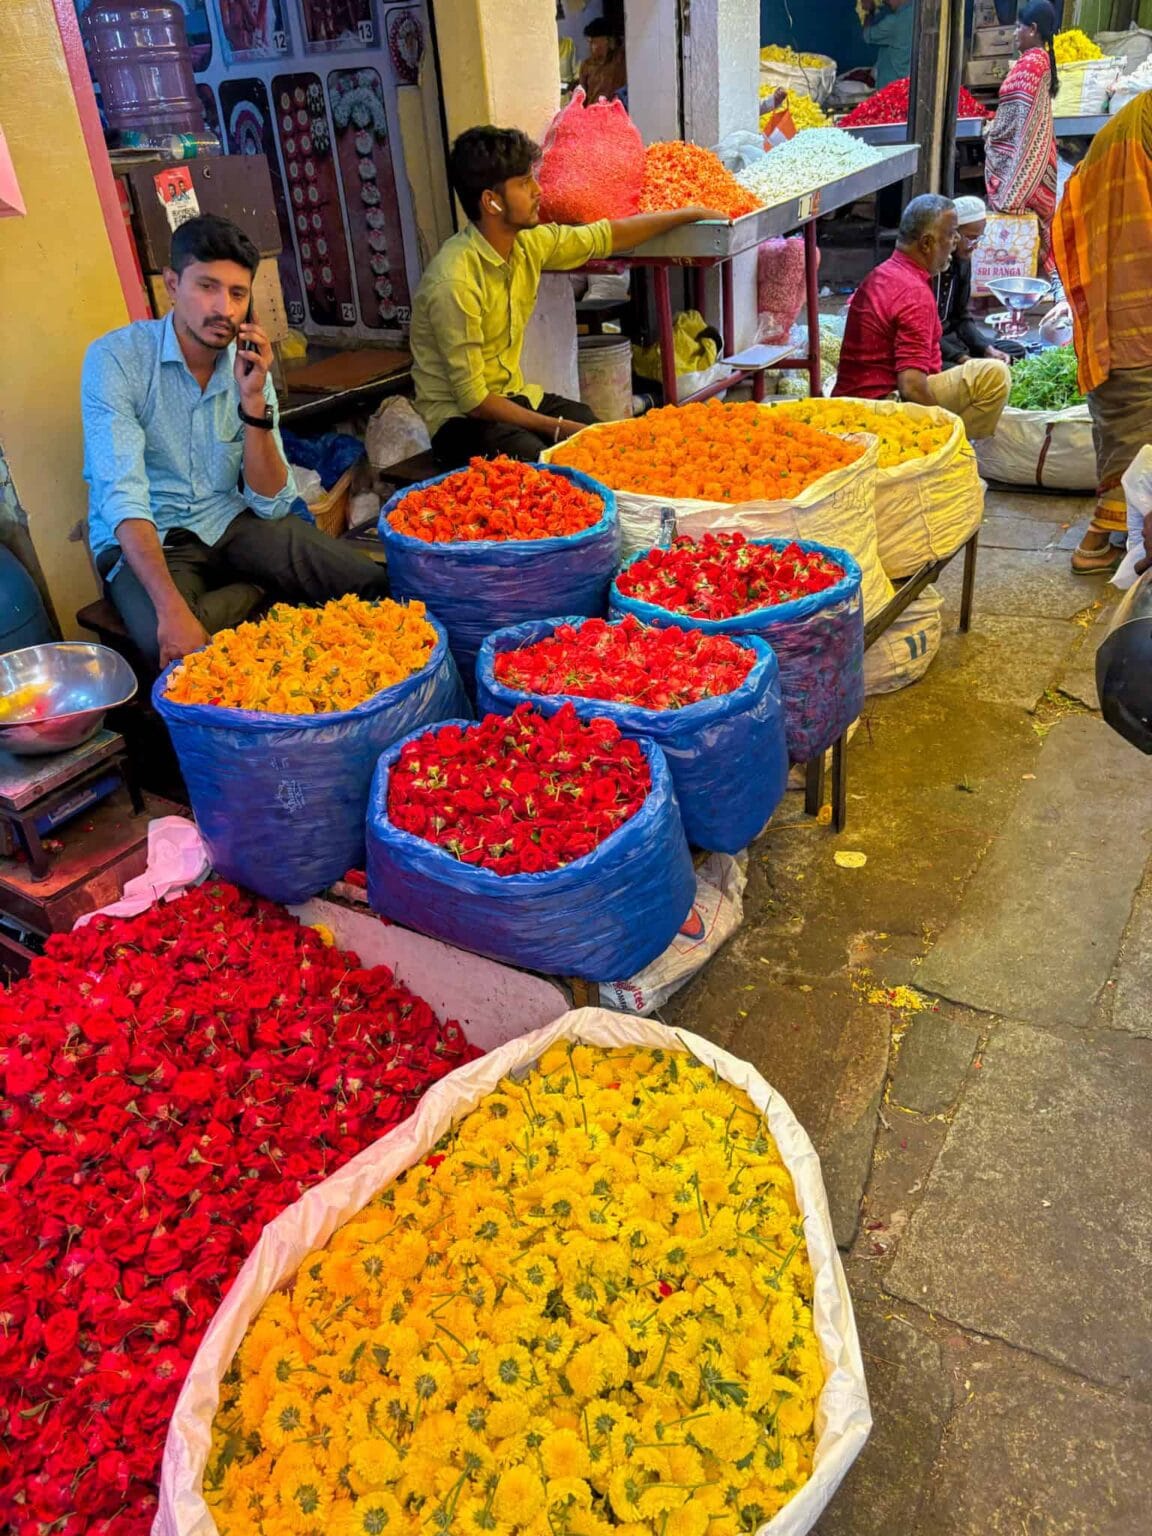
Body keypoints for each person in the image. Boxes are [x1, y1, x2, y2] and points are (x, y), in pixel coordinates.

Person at [82, 214, 389, 669]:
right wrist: (172, 610)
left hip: (228, 521)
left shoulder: (247, 365)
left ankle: (252, 590)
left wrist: (253, 404)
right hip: (153, 539)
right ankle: (260, 588)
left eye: (237, 294)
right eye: (207, 286)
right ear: (171, 283)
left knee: (370, 581)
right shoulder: (117, 359)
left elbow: (271, 503)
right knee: (176, 651)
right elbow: (122, 498)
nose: (224, 308)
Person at [411, 126, 721, 466]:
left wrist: (690, 213)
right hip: (461, 422)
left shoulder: (527, 245)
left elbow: (606, 236)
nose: (537, 191)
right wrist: (557, 427)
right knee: (547, 459)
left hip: (512, 398)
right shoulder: (454, 282)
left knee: (602, 436)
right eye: (524, 183)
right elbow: (475, 400)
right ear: (491, 201)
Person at [1054, 91, 1152, 574]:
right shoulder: (1143, 125)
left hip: (1114, 307)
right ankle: (1101, 542)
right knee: (1139, 437)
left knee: (1128, 432)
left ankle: (1114, 533)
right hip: (1139, 316)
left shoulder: (1134, 121)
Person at [834, 194, 1012, 440]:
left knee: (985, 362)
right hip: (880, 406)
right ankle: (952, 449)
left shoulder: (883, 272)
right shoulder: (914, 292)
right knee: (994, 376)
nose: (955, 241)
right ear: (927, 243)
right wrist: (941, 430)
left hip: (855, 401)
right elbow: (911, 386)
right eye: (951, 234)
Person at [984, 0, 1059, 274]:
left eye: (1019, 27)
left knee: (1015, 213)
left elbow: (1023, 124)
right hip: (1037, 158)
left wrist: (993, 135)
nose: (1015, 32)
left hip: (1026, 161)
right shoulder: (1037, 61)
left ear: (1033, 29)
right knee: (1031, 227)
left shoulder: (1033, 64)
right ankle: (1023, 270)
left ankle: (1015, 272)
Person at [935, 195, 1014, 367]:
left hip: (954, 339)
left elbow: (961, 316)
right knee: (958, 374)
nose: (975, 245)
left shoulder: (963, 261)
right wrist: (962, 359)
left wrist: (986, 349)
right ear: (953, 235)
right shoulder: (932, 265)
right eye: (970, 238)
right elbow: (922, 333)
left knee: (1012, 351)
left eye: (979, 238)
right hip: (932, 347)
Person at [860, 0, 915, 92]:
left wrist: (869, 11)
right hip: (909, 87)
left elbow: (867, 35)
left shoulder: (895, 21)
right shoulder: (919, 13)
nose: (885, 2)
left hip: (892, 90)